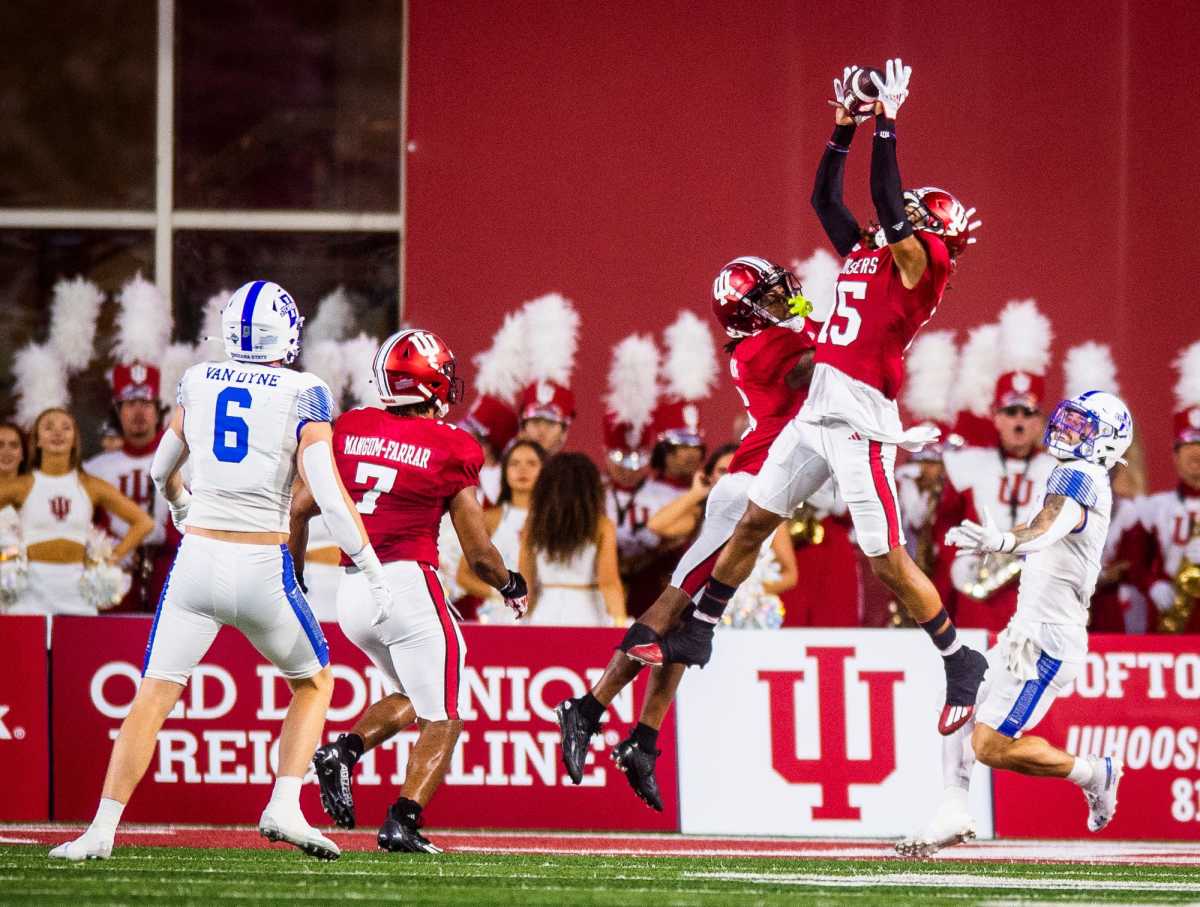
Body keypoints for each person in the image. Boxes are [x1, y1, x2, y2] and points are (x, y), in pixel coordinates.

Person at [628, 60, 988, 735]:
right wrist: (843, 128)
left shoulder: (923, 267)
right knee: (756, 520)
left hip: (859, 417)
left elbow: (886, 201)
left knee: (887, 560)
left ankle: (958, 657)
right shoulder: (873, 254)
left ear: (932, 234)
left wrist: (888, 125)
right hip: (820, 408)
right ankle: (700, 628)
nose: (898, 217)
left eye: (912, 216)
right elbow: (828, 203)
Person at [50, 280, 391, 862]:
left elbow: (161, 472)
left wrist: (183, 505)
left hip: (197, 563)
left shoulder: (199, 379)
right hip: (262, 565)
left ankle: (101, 829)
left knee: (154, 693)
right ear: (286, 333)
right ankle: (284, 804)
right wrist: (371, 569)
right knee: (313, 682)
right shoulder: (304, 390)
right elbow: (330, 497)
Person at [556, 255, 816, 809]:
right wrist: (845, 325)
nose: (783, 299)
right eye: (769, 295)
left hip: (765, 486)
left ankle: (643, 741)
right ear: (747, 311)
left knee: (688, 626)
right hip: (749, 489)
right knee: (675, 604)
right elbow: (822, 372)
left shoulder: (778, 336)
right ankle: (588, 707)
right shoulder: (768, 346)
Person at [294, 329, 528, 854]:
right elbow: (479, 552)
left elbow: (299, 507)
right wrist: (510, 584)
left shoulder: (350, 428)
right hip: (408, 585)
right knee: (444, 716)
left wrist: (292, 573)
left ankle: (343, 752)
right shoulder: (453, 445)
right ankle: (403, 819)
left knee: (413, 697)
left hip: (351, 591)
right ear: (430, 383)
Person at [898, 392, 1131, 856]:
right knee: (963, 696)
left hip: (1049, 641)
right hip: (1026, 631)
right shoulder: (1072, 472)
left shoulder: (1081, 475)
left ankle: (1094, 773)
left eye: (1083, 427)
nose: (1069, 431)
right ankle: (953, 807)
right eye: (1071, 422)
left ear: (1106, 441)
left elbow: (1050, 523)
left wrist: (1002, 539)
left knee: (990, 746)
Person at [931, 371, 1058, 632]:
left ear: (1040, 422)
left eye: (1028, 413)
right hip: (980, 593)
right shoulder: (968, 464)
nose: (1019, 422)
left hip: (1040, 594)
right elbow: (945, 523)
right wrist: (957, 560)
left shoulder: (1056, 469)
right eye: (1011, 413)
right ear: (997, 418)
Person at [0, 409, 153, 617]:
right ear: (37, 440)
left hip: (78, 592)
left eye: (66, 427)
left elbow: (144, 522)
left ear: (74, 440)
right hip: (30, 592)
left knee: (78, 648)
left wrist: (110, 559)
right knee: (28, 649)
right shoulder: (23, 485)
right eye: (49, 427)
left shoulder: (90, 485)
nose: (58, 433)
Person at [85, 363, 182, 613]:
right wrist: (116, 551)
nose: (138, 411)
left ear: (159, 410)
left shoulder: (186, 461)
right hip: (115, 575)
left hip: (171, 571)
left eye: (146, 403)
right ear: (117, 410)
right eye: (130, 404)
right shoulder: (96, 468)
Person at [522, 452, 626, 626]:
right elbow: (609, 583)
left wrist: (520, 622)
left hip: (544, 613)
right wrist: (621, 624)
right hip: (588, 615)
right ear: (591, 489)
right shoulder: (602, 526)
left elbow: (526, 584)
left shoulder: (533, 525)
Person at [457, 439, 545, 614]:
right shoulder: (490, 519)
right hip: (500, 615)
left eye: (532, 463)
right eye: (514, 463)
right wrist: (505, 593)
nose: (522, 469)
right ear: (504, 471)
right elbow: (463, 575)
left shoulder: (556, 520)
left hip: (546, 614)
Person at [517, 380, 574, 456]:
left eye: (551, 423)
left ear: (564, 431)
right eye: (535, 421)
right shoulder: (503, 467)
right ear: (523, 427)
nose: (542, 430)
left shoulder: (576, 467)